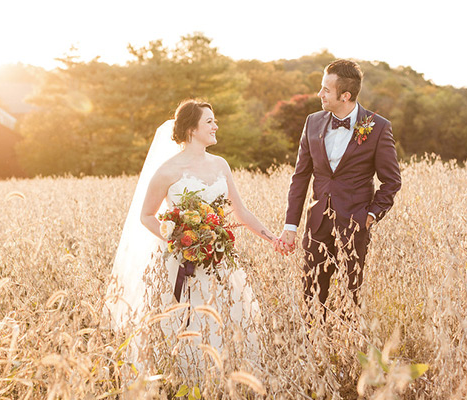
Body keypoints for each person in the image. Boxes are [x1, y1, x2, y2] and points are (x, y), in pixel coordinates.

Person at [106, 99, 277, 374]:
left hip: (219, 260)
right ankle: (188, 382)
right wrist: (178, 236)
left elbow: (241, 211)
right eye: (209, 121)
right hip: (181, 262)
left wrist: (272, 238)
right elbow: (146, 215)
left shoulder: (221, 164)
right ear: (190, 129)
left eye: (214, 120)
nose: (215, 125)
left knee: (226, 318)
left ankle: (224, 381)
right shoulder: (167, 170)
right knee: (186, 322)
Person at [277, 59, 401, 314]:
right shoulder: (312, 122)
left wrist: (370, 215)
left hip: (354, 224)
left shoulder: (378, 127)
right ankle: (313, 347)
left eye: (326, 90)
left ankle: (347, 349)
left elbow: (392, 181)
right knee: (311, 292)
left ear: (345, 95)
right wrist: (290, 225)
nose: (319, 94)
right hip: (317, 223)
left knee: (349, 295)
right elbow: (300, 177)